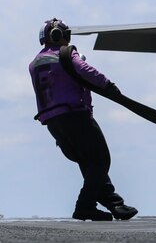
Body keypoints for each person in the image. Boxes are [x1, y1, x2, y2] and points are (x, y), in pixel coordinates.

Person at [29, 18, 138, 221]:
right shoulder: (66, 53)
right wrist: (109, 86)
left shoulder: (34, 63)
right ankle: (84, 206)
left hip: (53, 123)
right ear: (57, 35)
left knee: (89, 162)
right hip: (74, 115)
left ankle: (116, 204)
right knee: (101, 159)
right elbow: (85, 70)